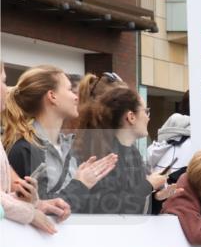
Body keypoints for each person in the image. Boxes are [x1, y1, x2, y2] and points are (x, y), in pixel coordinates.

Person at [3, 65, 118, 210]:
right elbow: (39, 210)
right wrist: (80, 184)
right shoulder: (24, 150)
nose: (76, 97)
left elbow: (75, 207)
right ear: (52, 96)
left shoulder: (67, 148)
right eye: (70, 90)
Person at [74, 86, 168, 214]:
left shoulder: (133, 153)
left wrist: (157, 198)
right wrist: (148, 185)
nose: (148, 117)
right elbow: (107, 208)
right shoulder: (102, 155)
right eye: (146, 111)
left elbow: (133, 205)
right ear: (131, 117)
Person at [0, 64, 68, 233]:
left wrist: (37, 204)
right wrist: (30, 213)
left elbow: (9, 190)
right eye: (3, 80)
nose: (7, 88)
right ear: (51, 96)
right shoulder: (23, 149)